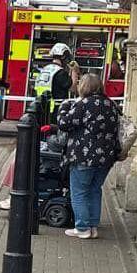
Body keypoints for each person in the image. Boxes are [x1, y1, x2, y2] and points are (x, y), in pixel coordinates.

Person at [57, 73, 119, 239]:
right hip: (106, 158)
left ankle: (82, 228)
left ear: (83, 87)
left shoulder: (84, 104)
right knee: (94, 190)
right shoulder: (110, 104)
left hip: (84, 156)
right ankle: (93, 226)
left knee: (79, 192)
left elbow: (64, 123)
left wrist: (64, 106)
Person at [34, 43, 74, 126]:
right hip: (56, 111)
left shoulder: (44, 70)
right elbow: (72, 88)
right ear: (63, 57)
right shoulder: (60, 73)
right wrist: (74, 71)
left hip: (41, 108)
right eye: (67, 58)